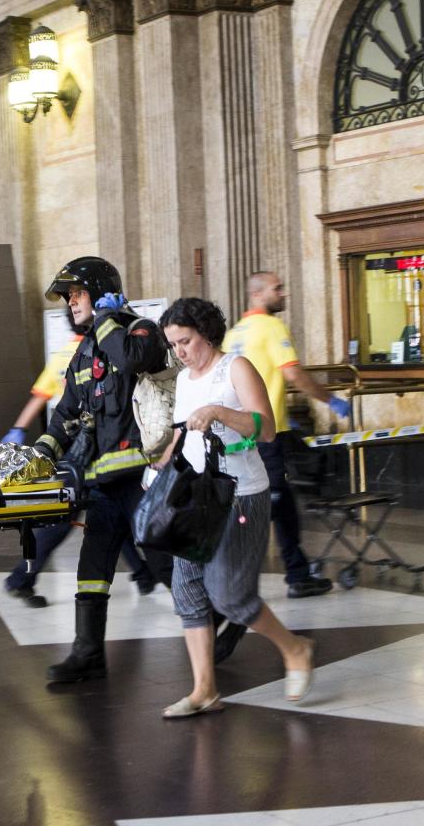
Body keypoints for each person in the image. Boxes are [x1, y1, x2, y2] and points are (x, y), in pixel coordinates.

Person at [156, 297, 316, 716]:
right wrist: (161, 462)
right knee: (186, 586)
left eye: (185, 341)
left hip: (241, 493)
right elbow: (184, 432)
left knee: (230, 595)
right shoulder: (186, 379)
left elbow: (266, 429)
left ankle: (294, 647)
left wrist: (219, 412)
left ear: (206, 333)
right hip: (195, 496)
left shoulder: (237, 369)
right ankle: (204, 689)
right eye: (173, 345)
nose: (180, 352)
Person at [32, 256, 167, 684]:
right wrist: (39, 455)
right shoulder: (83, 354)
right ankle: (87, 654)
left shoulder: (138, 329)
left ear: (100, 292)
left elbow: (133, 360)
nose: (71, 302)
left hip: (144, 483)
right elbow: (64, 415)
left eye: (77, 293)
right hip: (105, 487)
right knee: (92, 571)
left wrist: (108, 317)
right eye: (68, 296)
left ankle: (221, 620)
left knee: (167, 564)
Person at [2, 331, 161, 606]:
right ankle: (21, 577)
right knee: (69, 521)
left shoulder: (66, 353)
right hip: (93, 451)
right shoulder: (107, 348)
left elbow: (41, 397)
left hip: (71, 451)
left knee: (106, 514)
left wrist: (19, 428)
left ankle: (142, 573)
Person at [223, 272, 350, 598]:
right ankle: (292, 574)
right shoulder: (271, 327)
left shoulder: (234, 333)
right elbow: (292, 373)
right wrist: (329, 399)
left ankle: (292, 570)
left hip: (244, 432)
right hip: (267, 434)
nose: (284, 293)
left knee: (272, 500)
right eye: (277, 288)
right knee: (274, 501)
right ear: (258, 293)